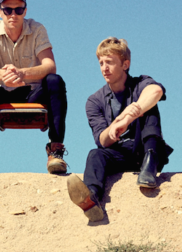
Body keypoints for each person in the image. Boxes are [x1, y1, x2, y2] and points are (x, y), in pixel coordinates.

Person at [0, 0, 68, 174]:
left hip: (32, 93)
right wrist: (3, 75)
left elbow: (50, 66)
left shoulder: (37, 29)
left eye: (18, 10)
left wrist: (22, 73)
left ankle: (56, 151)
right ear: (0, 12)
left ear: (25, 11)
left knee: (55, 81)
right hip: (2, 93)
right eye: (7, 10)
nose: (13, 15)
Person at [67, 37, 173, 222]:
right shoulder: (95, 101)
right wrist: (114, 126)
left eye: (109, 62)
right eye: (101, 63)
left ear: (125, 64)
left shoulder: (141, 83)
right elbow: (102, 140)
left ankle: (149, 166)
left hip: (146, 148)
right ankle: (91, 198)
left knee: (149, 107)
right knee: (95, 154)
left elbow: (156, 91)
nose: (104, 68)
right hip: (120, 154)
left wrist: (129, 116)